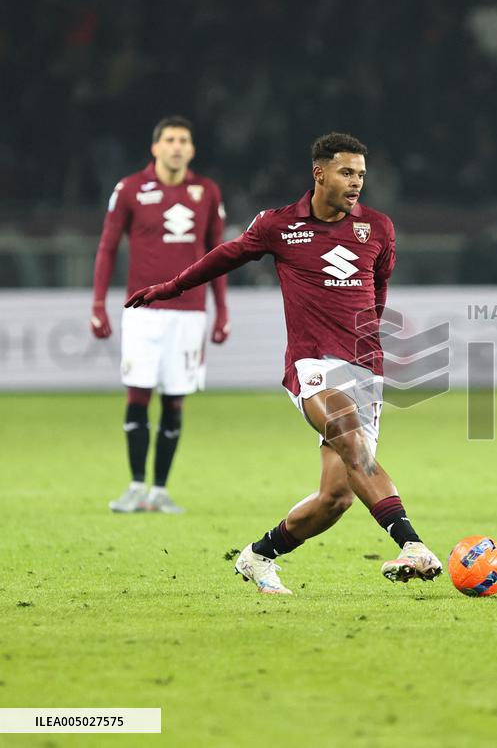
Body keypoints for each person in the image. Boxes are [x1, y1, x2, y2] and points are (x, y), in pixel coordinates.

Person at [123, 132, 442, 594]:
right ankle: (413, 545)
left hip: (365, 370)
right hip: (311, 365)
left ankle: (257, 556)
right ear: (320, 172)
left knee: (336, 498)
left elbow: (378, 292)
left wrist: (372, 349)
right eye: (346, 173)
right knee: (353, 444)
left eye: (361, 175)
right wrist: (170, 287)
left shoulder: (378, 228)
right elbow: (225, 256)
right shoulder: (280, 225)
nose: (356, 183)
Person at [91, 116, 229, 514]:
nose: (176, 146)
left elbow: (217, 254)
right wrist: (99, 303)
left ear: (192, 149)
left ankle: (160, 490)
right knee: (137, 394)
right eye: (169, 139)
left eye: (183, 140)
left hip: (190, 313)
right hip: (142, 310)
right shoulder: (130, 189)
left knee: (175, 400)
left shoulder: (207, 192)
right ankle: (136, 485)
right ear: (155, 147)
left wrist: (222, 311)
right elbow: (107, 246)